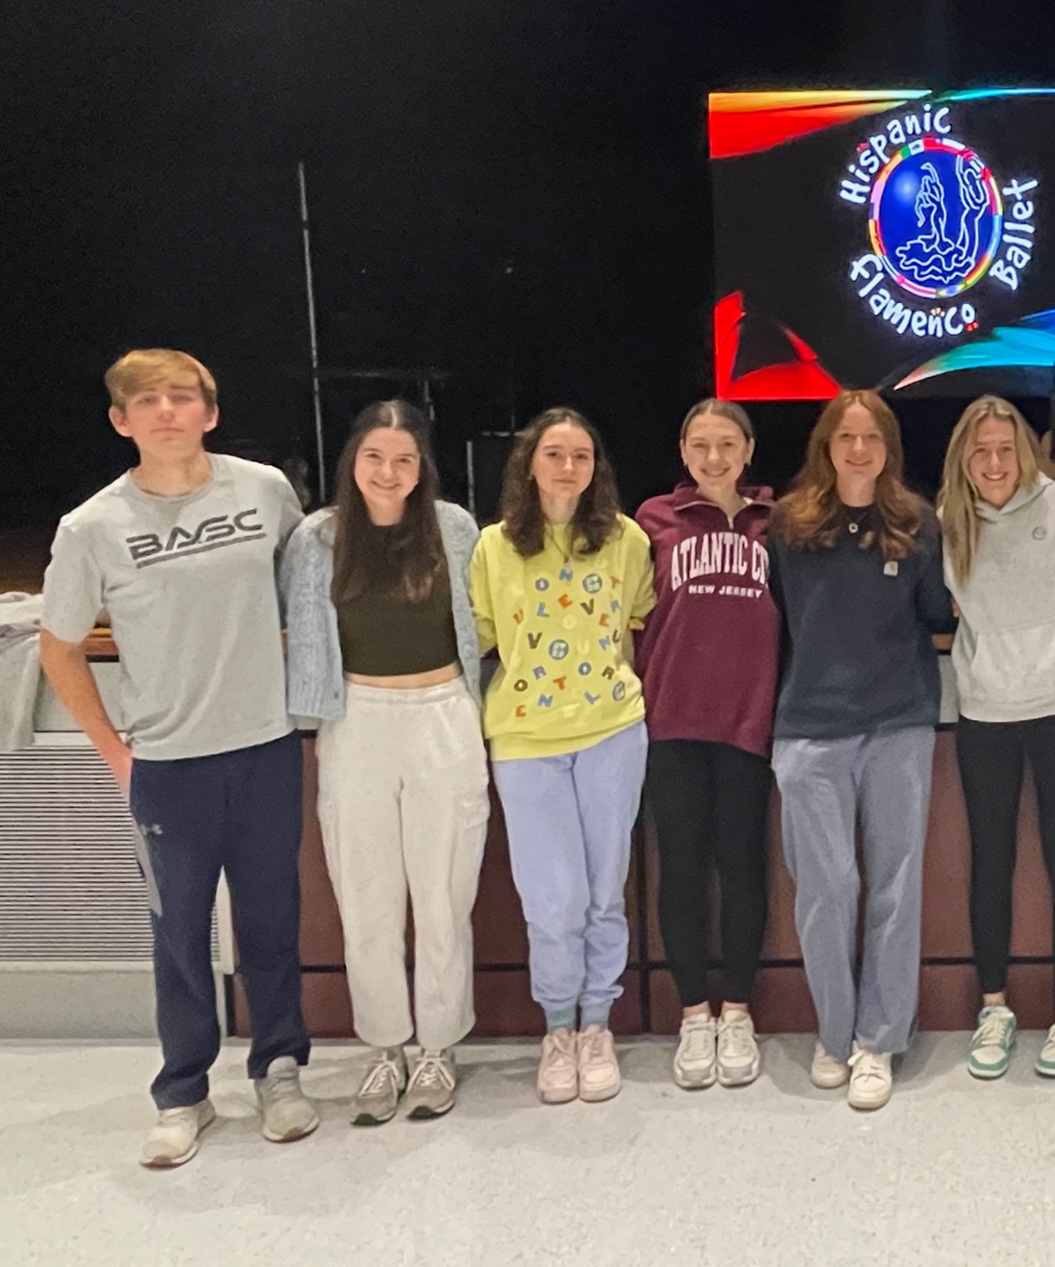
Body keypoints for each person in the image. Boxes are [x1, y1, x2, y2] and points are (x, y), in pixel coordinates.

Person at [37, 349, 314, 1168]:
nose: (167, 411)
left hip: (265, 749)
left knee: (271, 923)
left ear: (210, 411)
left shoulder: (265, 491)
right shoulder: (91, 529)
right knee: (179, 933)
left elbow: (305, 599)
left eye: (182, 397)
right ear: (121, 421)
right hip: (167, 766)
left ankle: (281, 1070)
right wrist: (117, 756)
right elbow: (58, 653)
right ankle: (184, 1091)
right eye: (146, 401)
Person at [280, 401, 488, 1124]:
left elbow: (484, 621)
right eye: (375, 458)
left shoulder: (455, 530)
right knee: (366, 899)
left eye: (404, 460)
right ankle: (384, 1047)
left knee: (442, 894)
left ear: (422, 467)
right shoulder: (317, 538)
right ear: (352, 463)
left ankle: (437, 1044)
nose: (389, 473)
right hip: (356, 721)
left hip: (444, 714)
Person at [766, 390, 955, 1111]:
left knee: (894, 887)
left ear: (888, 448)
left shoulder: (916, 522)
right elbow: (783, 616)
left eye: (870, 437)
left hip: (897, 722)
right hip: (810, 728)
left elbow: (935, 612)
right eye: (845, 437)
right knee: (827, 888)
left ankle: (879, 1040)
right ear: (825, 445)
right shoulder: (789, 525)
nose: (857, 449)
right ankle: (834, 1033)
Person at [471, 408, 654, 1106]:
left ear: (595, 468)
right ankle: (557, 1027)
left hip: (612, 731)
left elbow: (632, 629)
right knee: (552, 900)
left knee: (605, 891)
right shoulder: (493, 547)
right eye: (555, 454)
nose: (568, 467)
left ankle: (597, 1026)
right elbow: (483, 640)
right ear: (530, 463)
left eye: (582, 455)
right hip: (524, 742)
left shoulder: (626, 540)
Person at [940, 397, 1055, 1080]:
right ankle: (995, 1006)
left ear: (1026, 451)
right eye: (981, 451)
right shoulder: (949, 522)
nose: (995, 463)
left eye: (1006, 449)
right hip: (985, 710)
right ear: (963, 458)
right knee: (991, 862)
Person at [635, 399, 779, 1090]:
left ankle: (739, 1010)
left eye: (727, 444)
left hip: (749, 723)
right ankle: (696, 1012)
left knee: (744, 867)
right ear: (684, 451)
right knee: (683, 869)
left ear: (748, 450)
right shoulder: (652, 520)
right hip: (672, 721)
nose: (714, 457)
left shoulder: (776, 524)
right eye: (701, 444)